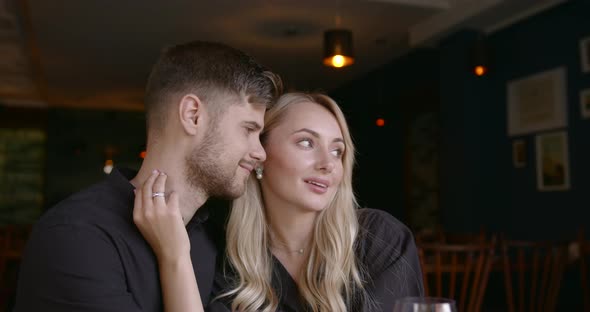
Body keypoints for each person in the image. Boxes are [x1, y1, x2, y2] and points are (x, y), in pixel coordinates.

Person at [14, 40, 282, 311]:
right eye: (248, 129)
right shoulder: (75, 236)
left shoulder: (211, 241)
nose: (260, 153)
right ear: (193, 116)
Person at [135, 92, 424, 312]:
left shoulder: (378, 239)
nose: (328, 164)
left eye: (337, 151)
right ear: (260, 154)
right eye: (306, 143)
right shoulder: (227, 259)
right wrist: (174, 256)